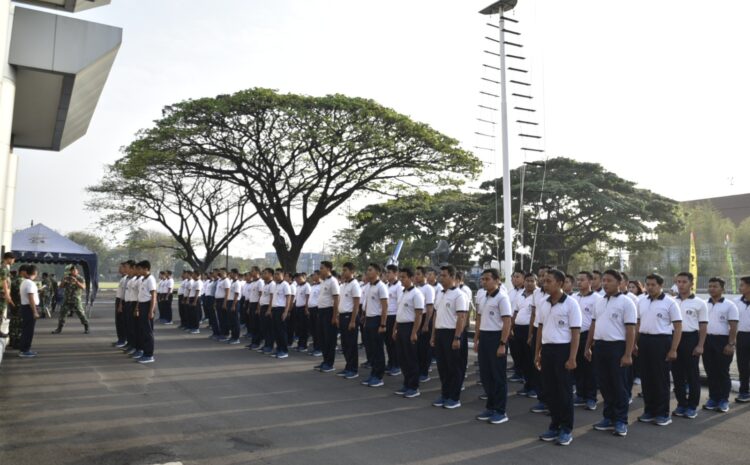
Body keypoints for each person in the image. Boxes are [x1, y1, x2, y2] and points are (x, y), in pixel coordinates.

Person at [585, 269, 636, 437]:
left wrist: (628, 354)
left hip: (617, 348)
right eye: (603, 280)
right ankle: (608, 418)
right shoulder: (599, 302)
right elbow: (593, 325)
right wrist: (588, 346)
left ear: (619, 283)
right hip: (600, 347)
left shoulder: (627, 302)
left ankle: (621, 420)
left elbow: (630, 330)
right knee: (605, 385)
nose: (605, 283)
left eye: (609, 280)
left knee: (619, 385)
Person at [534, 269, 582, 446]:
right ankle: (554, 425)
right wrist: (537, 352)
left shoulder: (571, 304)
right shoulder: (543, 303)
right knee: (550, 390)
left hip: (563, 350)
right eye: (544, 281)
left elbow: (575, 332)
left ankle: (566, 429)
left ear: (560, 283)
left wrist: (572, 358)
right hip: (547, 350)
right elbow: (540, 328)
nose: (544, 284)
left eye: (548, 281)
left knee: (564, 392)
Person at [637, 273, 682, 426]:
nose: (649, 287)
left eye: (653, 285)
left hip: (661, 342)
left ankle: (663, 414)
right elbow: (637, 323)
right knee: (647, 378)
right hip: (644, 341)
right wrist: (635, 343)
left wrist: (673, 349)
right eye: (647, 284)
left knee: (660, 379)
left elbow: (678, 327)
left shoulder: (670, 303)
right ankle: (649, 411)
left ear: (660, 285)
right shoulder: (641, 301)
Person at [474, 268, 513, 424]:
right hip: (484, 337)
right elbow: (479, 319)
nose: (484, 281)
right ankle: (490, 407)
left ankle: (500, 411)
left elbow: (507, 322)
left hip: (496, 338)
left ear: (497, 281)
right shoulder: (483, 296)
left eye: (487, 279)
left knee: (498, 376)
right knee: (486, 375)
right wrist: (477, 339)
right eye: (482, 279)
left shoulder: (502, 298)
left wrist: (502, 344)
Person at [431, 265, 469, 410]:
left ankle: (454, 397)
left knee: (455, 367)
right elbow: (436, 315)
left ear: (453, 278)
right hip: (440, 333)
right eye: (440, 275)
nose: (441, 277)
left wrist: (457, 338)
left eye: (444, 275)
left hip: (453, 333)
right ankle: (445, 394)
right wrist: (433, 335)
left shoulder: (459, 295)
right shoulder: (440, 294)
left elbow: (462, 317)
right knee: (442, 367)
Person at [671, 272, 707, 419]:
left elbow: (703, 326)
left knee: (692, 375)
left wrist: (700, 345)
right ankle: (681, 404)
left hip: (690, 338)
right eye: (678, 282)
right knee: (677, 374)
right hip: (674, 338)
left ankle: (692, 406)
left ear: (691, 283)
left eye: (684, 282)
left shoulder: (699, 303)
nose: (680, 284)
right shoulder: (672, 301)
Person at [703, 277, 739, 413]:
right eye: (710, 286)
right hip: (706, 341)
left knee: (722, 371)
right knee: (710, 371)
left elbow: (734, 326)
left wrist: (731, 344)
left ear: (722, 289)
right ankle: (713, 398)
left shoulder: (730, 305)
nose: (712, 288)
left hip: (723, 341)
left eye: (715, 286)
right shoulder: (704, 304)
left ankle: (723, 400)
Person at [393, 267, 425, 398]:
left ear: (411, 279)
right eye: (400, 277)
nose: (401, 279)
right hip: (400, 326)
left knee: (411, 358)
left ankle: (413, 386)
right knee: (402, 358)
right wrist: (395, 328)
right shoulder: (402, 293)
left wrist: (414, 332)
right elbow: (398, 313)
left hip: (410, 327)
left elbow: (419, 315)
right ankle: (406, 384)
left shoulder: (417, 294)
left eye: (404, 277)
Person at [572, 271, 601, 411]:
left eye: (582, 280)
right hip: (574, 336)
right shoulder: (573, 297)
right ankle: (580, 394)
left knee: (590, 368)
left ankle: (591, 397)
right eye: (578, 279)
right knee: (577, 367)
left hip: (588, 336)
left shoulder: (597, 298)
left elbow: (598, 321)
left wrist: (593, 340)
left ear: (590, 282)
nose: (579, 282)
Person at [361, 263, 389, 386]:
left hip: (377, 320)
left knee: (378, 349)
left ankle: (379, 376)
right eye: (367, 269)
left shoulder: (381, 287)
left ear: (377, 272)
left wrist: (383, 324)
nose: (368, 272)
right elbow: (367, 304)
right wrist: (365, 318)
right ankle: (373, 373)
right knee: (370, 349)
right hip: (369, 319)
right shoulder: (368, 287)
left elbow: (385, 307)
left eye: (370, 270)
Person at [514, 273, 539, 398]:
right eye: (527, 281)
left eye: (532, 281)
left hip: (530, 330)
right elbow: (515, 312)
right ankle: (527, 385)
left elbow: (536, 315)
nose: (529, 283)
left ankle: (535, 387)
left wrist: (531, 335)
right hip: (518, 329)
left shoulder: (538, 294)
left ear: (536, 282)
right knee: (522, 359)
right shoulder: (520, 294)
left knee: (531, 360)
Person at [336, 263, 361, 378]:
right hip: (342, 316)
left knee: (351, 344)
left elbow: (356, 304)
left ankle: (353, 369)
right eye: (343, 270)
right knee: (345, 344)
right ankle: (348, 366)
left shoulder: (354, 285)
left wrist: (352, 321)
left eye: (345, 270)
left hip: (350, 317)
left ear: (352, 271)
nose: (343, 272)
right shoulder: (344, 285)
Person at [316, 261, 340, 373]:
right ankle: (325, 361)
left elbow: (336, 300)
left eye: (322, 268)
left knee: (329, 339)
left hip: (329, 312)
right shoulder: (323, 281)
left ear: (329, 269)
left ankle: (330, 363)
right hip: (321, 311)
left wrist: (335, 316)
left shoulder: (333, 281)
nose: (320, 270)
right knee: (322, 338)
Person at [53, 266, 89, 334]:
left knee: (81, 313)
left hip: (76, 299)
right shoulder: (67, 277)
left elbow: (83, 287)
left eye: (74, 270)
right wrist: (64, 281)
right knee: (62, 314)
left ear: (77, 271)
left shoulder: (80, 278)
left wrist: (76, 282)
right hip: (67, 299)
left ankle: (86, 327)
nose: (73, 272)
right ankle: (59, 328)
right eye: (72, 270)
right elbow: (61, 286)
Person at [134, 260, 157, 364]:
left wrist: (151, 311)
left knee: (148, 331)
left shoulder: (151, 279)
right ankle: (144, 352)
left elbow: (154, 296)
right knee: (143, 330)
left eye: (140, 269)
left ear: (146, 269)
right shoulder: (144, 279)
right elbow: (141, 295)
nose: (138, 271)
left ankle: (149, 355)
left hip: (148, 305)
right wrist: (138, 307)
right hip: (142, 305)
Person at [415, 266, 435, 383]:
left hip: (425, 318)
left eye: (418, 274)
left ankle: (424, 372)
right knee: (417, 347)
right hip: (416, 318)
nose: (416, 276)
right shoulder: (416, 288)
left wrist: (426, 323)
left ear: (424, 275)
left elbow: (430, 307)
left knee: (424, 348)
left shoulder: (428, 289)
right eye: (415, 274)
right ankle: (418, 370)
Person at [507, 270, 526, 383]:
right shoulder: (510, 292)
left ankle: (523, 373)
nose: (514, 279)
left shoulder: (527, 292)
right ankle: (517, 370)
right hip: (510, 323)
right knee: (514, 349)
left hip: (520, 324)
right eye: (513, 277)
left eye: (517, 277)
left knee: (522, 351)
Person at [270, 268, 293, 358]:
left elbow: (288, 298)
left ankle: (284, 351)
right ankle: (279, 349)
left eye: (278, 274)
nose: (276, 276)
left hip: (281, 309)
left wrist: (286, 311)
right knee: (276, 331)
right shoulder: (275, 285)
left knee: (282, 331)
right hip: (275, 309)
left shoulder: (285, 285)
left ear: (283, 275)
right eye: (275, 274)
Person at [18, 265, 40, 358]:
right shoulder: (30, 283)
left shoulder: (24, 282)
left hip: (25, 307)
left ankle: (25, 349)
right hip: (29, 308)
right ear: (35, 273)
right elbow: (31, 298)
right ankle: (25, 350)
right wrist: (34, 311)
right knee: (28, 331)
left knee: (26, 330)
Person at [384, 264, 402, 377]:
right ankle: (391, 362)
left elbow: (400, 304)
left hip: (394, 316)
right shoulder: (386, 285)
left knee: (394, 342)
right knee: (388, 342)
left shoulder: (399, 286)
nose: (387, 274)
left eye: (389, 272)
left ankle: (396, 365)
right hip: (386, 316)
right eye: (386, 273)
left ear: (396, 274)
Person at [734, 276, 750, 403]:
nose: (740, 288)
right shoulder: (736, 302)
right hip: (742, 336)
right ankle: (744, 392)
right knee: (743, 365)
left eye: (742, 285)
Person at [257, 268, 276, 354]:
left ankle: (270, 346)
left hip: (268, 308)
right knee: (264, 327)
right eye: (263, 273)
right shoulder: (265, 284)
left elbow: (272, 297)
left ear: (271, 274)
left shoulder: (272, 284)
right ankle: (266, 344)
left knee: (269, 328)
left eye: (265, 273)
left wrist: (269, 309)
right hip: (263, 307)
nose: (263, 275)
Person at [293, 273, 312, 352]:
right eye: (297, 279)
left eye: (300, 279)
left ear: (304, 278)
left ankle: (304, 345)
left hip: (303, 308)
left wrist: (306, 309)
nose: (298, 280)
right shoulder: (298, 286)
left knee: (304, 328)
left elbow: (308, 298)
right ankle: (300, 344)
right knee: (299, 328)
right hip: (298, 308)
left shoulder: (307, 286)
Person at [0, 252, 16, 342]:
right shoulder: (3, 267)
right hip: (2, 293)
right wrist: (7, 295)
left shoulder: (4, 267)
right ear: (9, 258)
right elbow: (4, 282)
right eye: (13, 259)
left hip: (2, 293)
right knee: (0, 312)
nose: (13, 261)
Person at [307, 271, 322, 357]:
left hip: (317, 309)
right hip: (311, 309)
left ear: (319, 275)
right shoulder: (313, 286)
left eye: (315, 275)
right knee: (313, 330)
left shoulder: (321, 286)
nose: (313, 276)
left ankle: (319, 348)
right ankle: (316, 347)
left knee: (318, 330)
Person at [113, 263, 128, 348]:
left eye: (121, 267)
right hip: (119, 299)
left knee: (122, 322)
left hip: (122, 301)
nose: (119, 269)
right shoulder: (123, 278)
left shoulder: (126, 278)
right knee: (118, 322)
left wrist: (121, 304)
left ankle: (123, 340)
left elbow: (124, 293)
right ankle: (120, 339)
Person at [228, 269, 244, 344]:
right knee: (231, 321)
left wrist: (233, 305)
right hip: (230, 301)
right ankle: (232, 336)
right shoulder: (232, 282)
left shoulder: (237, 283)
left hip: (234, 302)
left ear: (235, 274)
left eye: (231, 273)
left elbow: (236, 294)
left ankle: (236, 338)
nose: (230, 274)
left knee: (235, 321)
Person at [188, 270, 203, 335]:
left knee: (196, 314)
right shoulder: (195, 282)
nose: (192, 275)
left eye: (193, 274)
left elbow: (197, 292)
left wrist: (195, 301)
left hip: (195, 299)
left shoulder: (198, 282)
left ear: (197, 275)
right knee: (192, 314)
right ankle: (193, 327)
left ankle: (196, 328)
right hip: (192, 298)